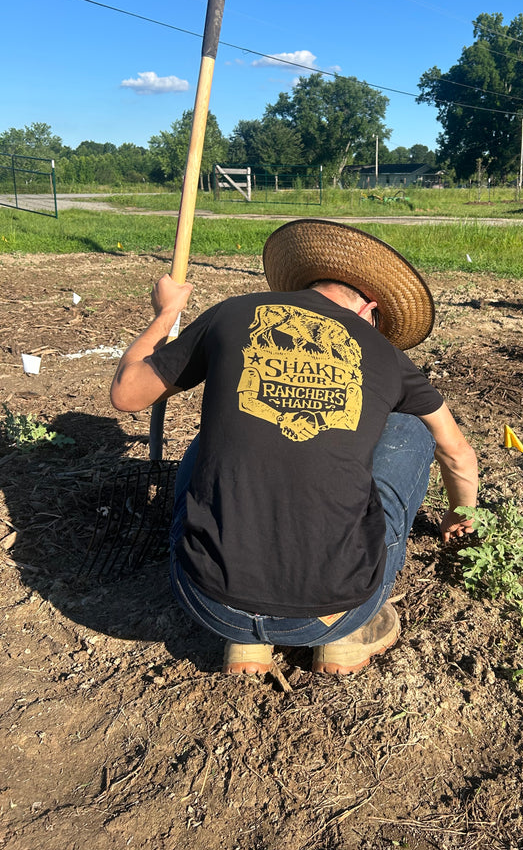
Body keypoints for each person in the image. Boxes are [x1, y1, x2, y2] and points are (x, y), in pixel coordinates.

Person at [111, 219, 478, 676]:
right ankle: (343, 637)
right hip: (331, 611)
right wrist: (460, 514)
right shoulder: (387, 356)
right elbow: (458, 453)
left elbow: (127, 394)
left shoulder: (234, 313)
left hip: (209, 602)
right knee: (413, 429)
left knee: (213, 436)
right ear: (370, 310)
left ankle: (243, 642)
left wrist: (165, 313)